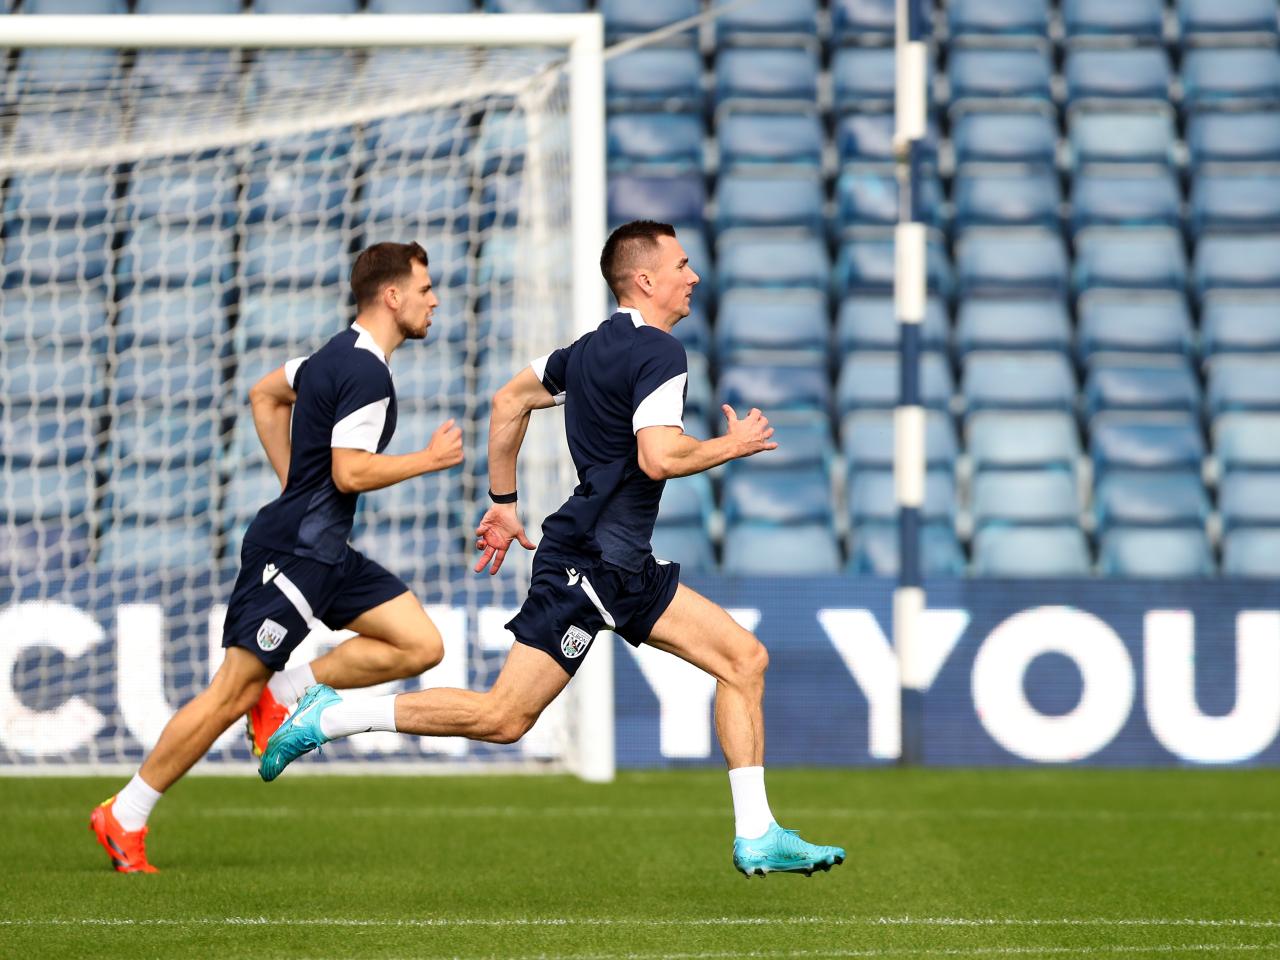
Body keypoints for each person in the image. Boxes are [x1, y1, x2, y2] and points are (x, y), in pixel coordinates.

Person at [258, 221, 845, 878]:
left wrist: (503, 502)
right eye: (682, 265)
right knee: (504, 717)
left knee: (743, 659)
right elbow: (658, 456)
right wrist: (728, 447)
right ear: (645, 280)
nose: (693, 277)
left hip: (620, 565)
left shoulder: (585, 351)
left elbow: (510, 399)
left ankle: (757, 831)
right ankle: (338, 713)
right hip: (588, 565)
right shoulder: (659, 353)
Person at [89, 242, 463, 874]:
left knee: (419, 643)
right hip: (292, 555)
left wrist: (295, 485)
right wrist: (425, 461)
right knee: (231, 692)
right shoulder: (367, 372)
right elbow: (348, 473)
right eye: (425, 288)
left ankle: (287, 693)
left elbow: (265, 395)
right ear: (392, 296)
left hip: (322, 550)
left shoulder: (326, 358)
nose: (434, 300)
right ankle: (125, 814)